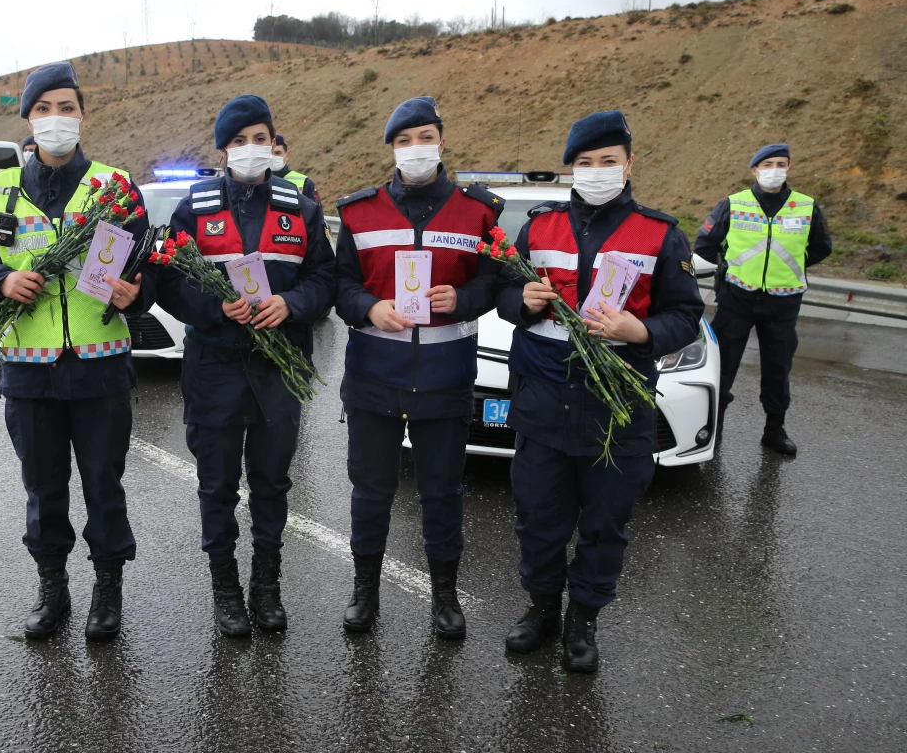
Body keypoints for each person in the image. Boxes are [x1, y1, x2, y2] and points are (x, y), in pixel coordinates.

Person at [497, 111, 703, 672]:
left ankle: (583, 621)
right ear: (571, 169)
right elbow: (505, 295)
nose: (595, 171)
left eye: (607, 161)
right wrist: (523, 302)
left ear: (629, 164)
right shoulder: (539, 227)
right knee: (539, 517)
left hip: (617, 407)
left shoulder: (659, 234)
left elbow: (686, 314)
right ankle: (542, 610)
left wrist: (642, 332)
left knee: (605, 522)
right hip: (543, 401)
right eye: (584, 163)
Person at [0, 62, 156, 641]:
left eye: (66, 107)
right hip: (28, 373)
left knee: (103, 485)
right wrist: (0, 284)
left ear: (82, 116)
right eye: (43, 110)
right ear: (28, 119)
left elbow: (147, 271)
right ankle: (53, 589)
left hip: (100, 372)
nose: (55, 119)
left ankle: (107, 590)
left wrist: (133, 292)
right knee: (44, 491)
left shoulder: (114, 186)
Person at [157, 94, 336, 637]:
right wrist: (215, 307)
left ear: (274, 143)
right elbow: (170, 282)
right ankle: (226, 590)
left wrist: (293, 304)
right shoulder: (194, 207)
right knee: (216, 485)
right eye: (239, 141)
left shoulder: (300, 207)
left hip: (278, 371)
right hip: (214, 367)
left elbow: (324, 281)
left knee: (271, 483)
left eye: (260, 138)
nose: (251, 149)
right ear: (222, 149)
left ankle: (266, 586)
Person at [334, 96, 502, 640]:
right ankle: (365, 594)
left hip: (446, 379)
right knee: (371, 492)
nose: (415, 149)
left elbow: (495, 282)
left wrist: (466, 298)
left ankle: (445, 599)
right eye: (403, 141)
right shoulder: (359, 213)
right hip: (373, 380)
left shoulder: (479, 212)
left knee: (442, 494)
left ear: (442, 142)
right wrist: (367, 307)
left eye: (424, 137)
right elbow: (339, 287)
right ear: (391, 149)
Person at [694, 144, 831, 456]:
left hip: (783, 302)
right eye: (767, 164)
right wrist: (727, 267)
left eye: (781, 163)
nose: (774, 169)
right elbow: (704, 244)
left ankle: (774, 429)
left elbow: (822, 246)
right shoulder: (733, 204)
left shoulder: (806, 206)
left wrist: (790, 267)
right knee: (722, 366)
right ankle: (715, 428)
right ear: (754, 170)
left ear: (789, 169)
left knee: (777, 367)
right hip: (737, 297)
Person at [271, 135, 320, 202]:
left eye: (277, 153)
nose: (273, 157)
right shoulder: (257, 183)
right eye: (270, 153)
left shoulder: (304, 183)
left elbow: (316, 211)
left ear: (287, 156)